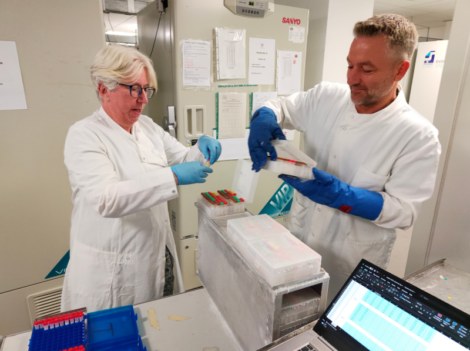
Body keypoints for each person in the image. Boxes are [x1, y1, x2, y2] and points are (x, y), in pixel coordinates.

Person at [248, 14, 441, 301]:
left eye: (366, 69)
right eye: (350, 65)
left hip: (350, 262)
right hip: (297, 243)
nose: (352, 78)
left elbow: (404, 212)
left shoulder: (418, 135)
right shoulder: (327, 96)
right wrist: (265, 115)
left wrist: (341, 195)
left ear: (400, 70)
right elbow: (282, 107)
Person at [61, 45, 221, 312]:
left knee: (157, 329)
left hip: (157, 255)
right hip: (112, 270)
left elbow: (183, 158)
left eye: (146, 89)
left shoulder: (146, 127)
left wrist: (201, 148)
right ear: (104, 89)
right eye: (134, 89)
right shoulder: (84, 135)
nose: (144, 99)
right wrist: (171, 177)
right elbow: (106, 199)